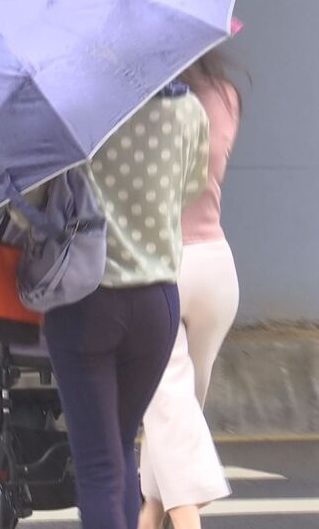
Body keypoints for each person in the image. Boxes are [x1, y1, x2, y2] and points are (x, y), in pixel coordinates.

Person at [37, 79, 210, 529]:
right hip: (158, 302)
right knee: (119, 444)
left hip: (86, 299)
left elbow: (38, 207)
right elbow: (189, 190)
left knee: (98, 464)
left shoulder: (76, 111)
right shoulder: (188, 108)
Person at [138, 51, 242, 529]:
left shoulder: (144, 101)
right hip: (217, 270)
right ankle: (150, 514)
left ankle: (184, 522)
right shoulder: (225, 96)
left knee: (170, 418)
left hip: (161, 267)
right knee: (174, 419)